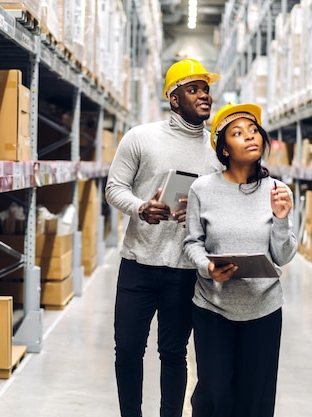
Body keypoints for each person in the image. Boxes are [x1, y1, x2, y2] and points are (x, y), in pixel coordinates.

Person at [104, 58, 223, 417]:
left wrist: (202, 215)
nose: (204, 96)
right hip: (139, 264)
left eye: (206, 89)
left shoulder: (217, 152)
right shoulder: (141, 138)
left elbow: (223, 204)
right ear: (174, 99)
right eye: (194, 89)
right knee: (127, 349)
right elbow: (114, 188)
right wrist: (141, 208)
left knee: (173, 353)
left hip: (184, 270)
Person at [183, 102, 298, 417]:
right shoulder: (202, 189)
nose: (250, 137)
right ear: (224, 150)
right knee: (214, 394)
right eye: (237, 133)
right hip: (213, 309)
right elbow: (192, 242)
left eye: (253, 131)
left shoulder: (277, 191)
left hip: (263, 309)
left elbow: (284, 256)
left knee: (255, 400)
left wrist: (282, 219)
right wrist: (207, 268)